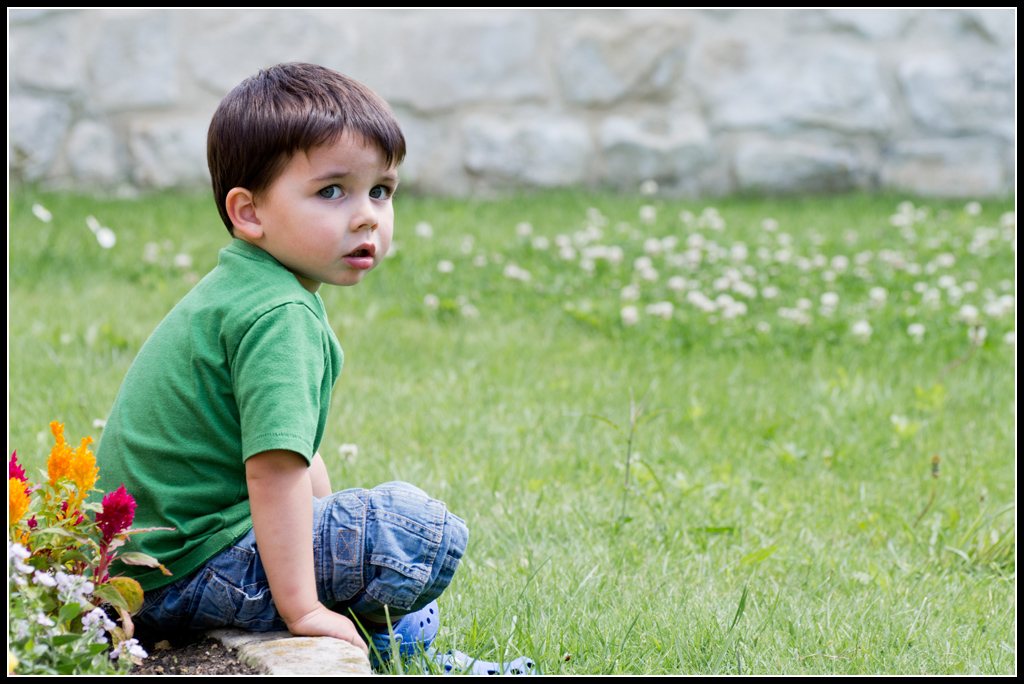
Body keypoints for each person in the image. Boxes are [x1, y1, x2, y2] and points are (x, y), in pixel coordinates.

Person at [93, 63, 534, 674]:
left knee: (352, 524)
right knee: (413, 530)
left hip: (145, 573)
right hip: (192, 571)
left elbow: (294, 450)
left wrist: (328, 534)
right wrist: (305, 608)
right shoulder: (279, 314)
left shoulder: (243, 288)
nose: (366, 217)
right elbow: (274, 471)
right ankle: (403, 650)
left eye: (381, 190)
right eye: (333, 192)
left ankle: (402, 645)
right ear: (249, 213)